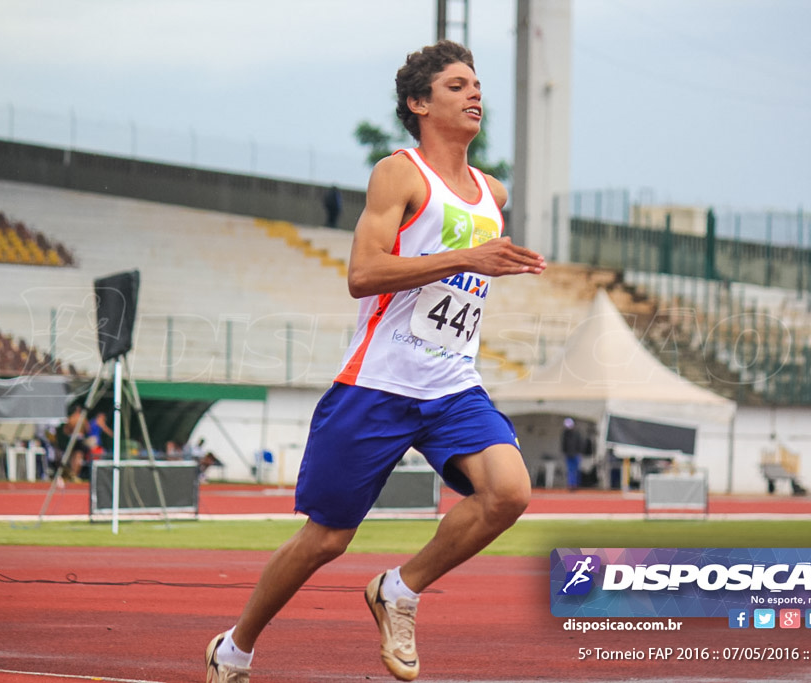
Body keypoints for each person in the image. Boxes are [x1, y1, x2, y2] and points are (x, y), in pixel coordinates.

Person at [205, 40, 546, 683]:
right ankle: (236, 647)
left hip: (452, 385)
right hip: (378, 385)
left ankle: (400, 589)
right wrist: (467, 259)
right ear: (419, 104)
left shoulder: (492, 193)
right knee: (326, 541)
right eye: (455, 86)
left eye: (476, 83)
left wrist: (489, 265)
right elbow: (364, 274)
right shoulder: (400, 173)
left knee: (509, 493)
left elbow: (460, 282)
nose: (474, 94)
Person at [561, 417, 583, 490]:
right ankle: (571, 485)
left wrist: (579, 452)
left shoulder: (577, 433)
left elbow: (580, 443)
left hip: (576, 454)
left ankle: (576, 485)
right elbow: (563, 444)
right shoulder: (565, 434)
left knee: (576, 470)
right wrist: (565, 452)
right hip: (569, 454)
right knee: (570, 470)